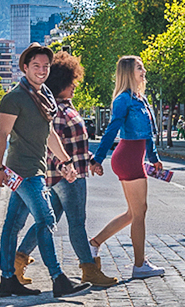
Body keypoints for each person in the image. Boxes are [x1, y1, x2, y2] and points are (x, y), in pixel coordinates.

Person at [0, 44, 89, 298]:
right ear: (25, 67)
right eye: (36, 66)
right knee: (46, 220)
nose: (42, 70)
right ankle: (58, 279)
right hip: (22, 172)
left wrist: (66, 163)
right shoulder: (14, 98)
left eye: (46, 66)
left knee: (12, 224)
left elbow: (50, 135)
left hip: (38, 168)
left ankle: (7, 280)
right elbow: (2, 133)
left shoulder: (44, 94)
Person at [13, 52, 118, 289]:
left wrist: (91, 160)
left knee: (49, 221)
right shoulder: (57, 112)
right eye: (71, 81)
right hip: (69, 177)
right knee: (77, 222)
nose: (74, 85)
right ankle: (88, 269)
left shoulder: (64, 107)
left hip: (70, 173)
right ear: (60, 82)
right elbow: (51, 147)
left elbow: (75, 145)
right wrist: (67, 167)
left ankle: (18, 261)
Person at [88, 55, 166, 279]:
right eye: (139, 68)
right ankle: (140, 265)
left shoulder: (140, 99)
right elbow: (111, 130)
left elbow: (148, 134)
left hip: (136, 157)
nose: (143, 71)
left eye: (142, 67)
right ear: (128, 73)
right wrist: (98, 159)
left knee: (134, 212)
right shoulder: (123, 100)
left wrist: (154, 158)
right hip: (128, 157)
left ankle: (94, 243)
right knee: (140, 212)